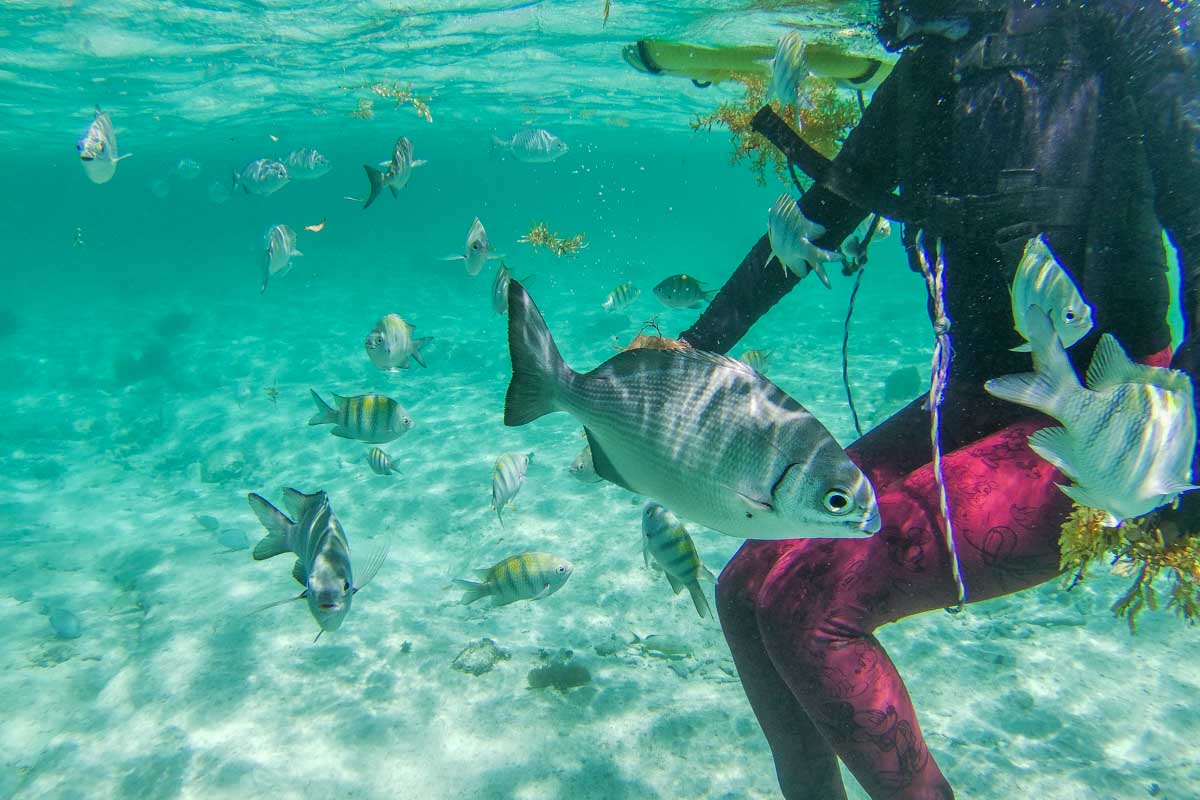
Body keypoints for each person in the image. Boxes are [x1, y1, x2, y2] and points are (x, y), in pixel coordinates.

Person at [678, 2, 1200, 798]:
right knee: (747, 590)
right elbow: (817, 221)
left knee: (809, 611)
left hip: (1109, 417)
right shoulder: (929, 71)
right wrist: (690, 355)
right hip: (974, 403)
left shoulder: (1116, 22)